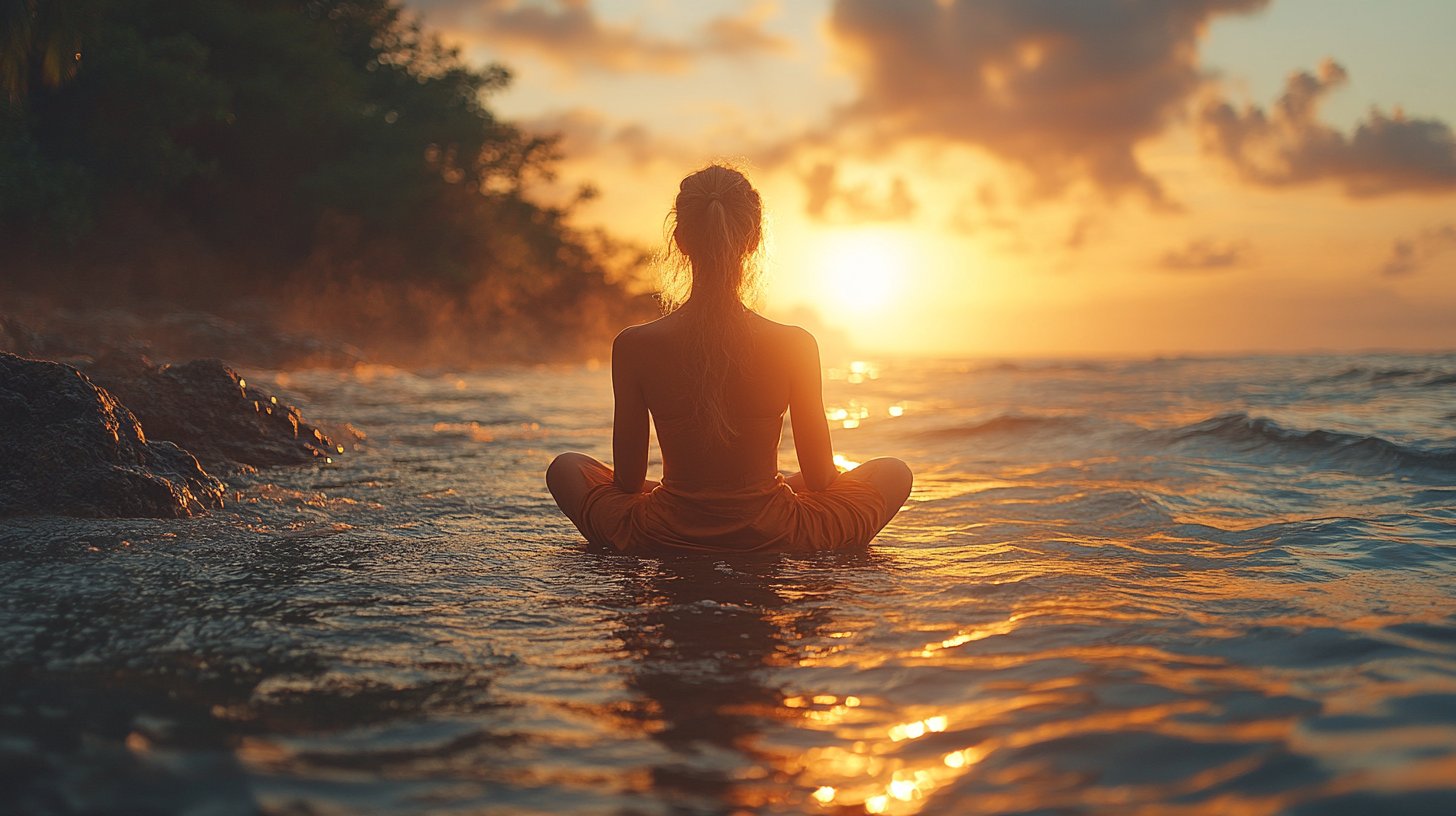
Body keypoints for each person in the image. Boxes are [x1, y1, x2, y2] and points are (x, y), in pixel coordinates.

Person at [546, 164, 911, 553]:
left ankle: (702, 499)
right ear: (752, 240)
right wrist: (780, 484)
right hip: (778, 534)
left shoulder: (634, 344)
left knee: (566, 467)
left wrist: (689, 493)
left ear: (681, 239)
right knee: (894, 472)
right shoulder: (795, 344)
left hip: (664, 532)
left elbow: (631, 483)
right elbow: (821, 479)